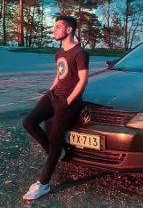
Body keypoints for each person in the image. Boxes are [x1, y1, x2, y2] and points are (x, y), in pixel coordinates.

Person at [22, 15, 89, 200]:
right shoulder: (59, 53)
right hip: (54, 95)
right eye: (55, 27)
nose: (55, 30)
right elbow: (60, 75)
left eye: (58, 27)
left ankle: (43, 184)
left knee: (56, 138)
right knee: (28, 122)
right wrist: (49, 92)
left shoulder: (80, 52)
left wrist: (67, 102)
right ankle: (55, 151)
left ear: (69, 30)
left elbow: (83, 81)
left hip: (68, 102)